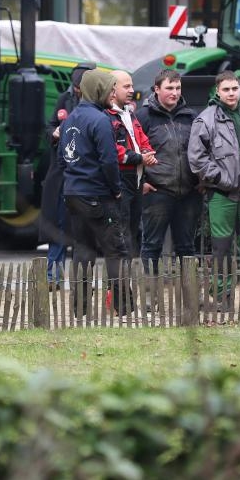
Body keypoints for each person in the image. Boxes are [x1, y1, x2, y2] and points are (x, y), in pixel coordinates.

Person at [188, 71, 240, 310]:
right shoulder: (205, 120)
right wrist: (222, 179)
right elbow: (196, 159)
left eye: (235, 89)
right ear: (217, 91)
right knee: (221, 248)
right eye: (226, 89)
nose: (231, 93)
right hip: (221, 195)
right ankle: (220, 297)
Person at [59, 70, 133, 318]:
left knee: (82, 252)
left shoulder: (69, 119)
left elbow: (63, 159)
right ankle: (123, 308)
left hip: (73, 194)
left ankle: (79, 310)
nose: (113, 93)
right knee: (116, 251)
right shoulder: (100, 120)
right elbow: (109, 161)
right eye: (110, 88)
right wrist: (116, 190)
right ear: (98, 90)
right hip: (98, 196)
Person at [136, 69, 201, 278]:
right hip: (157, 190)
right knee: (152, 244)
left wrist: (202, 180)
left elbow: (202, 150)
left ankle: (189, 298)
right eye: (169, 88)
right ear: (157, 89)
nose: (174, 92)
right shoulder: (143, 117)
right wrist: (142, 182)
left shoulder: (190, 116)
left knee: (187, 247)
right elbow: (133, 150)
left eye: (178, 88)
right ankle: (150, 293)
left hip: (189, 192)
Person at [40, 62, 95, 290]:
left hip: (87, 174)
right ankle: (53, 276)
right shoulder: (65, 99)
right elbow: (51, 125)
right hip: (63, 173)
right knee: (60, 225)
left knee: (84, 230)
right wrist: (54, 133)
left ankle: (82, 280)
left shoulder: (97, 103)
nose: (77, 92)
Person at [105, 70, 157, 260]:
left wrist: (147, 153)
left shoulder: (129, 112)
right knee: (122, 232)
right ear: (112, 90)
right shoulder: (106, 115)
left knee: (133, 230)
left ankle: (125, 282)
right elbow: (113, 151)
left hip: (137, 178)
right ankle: (119, 285)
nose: (132, 90)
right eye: (126, 86)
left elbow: (141, 138)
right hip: (121, 178)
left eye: (132, 86)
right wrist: (139, 158)